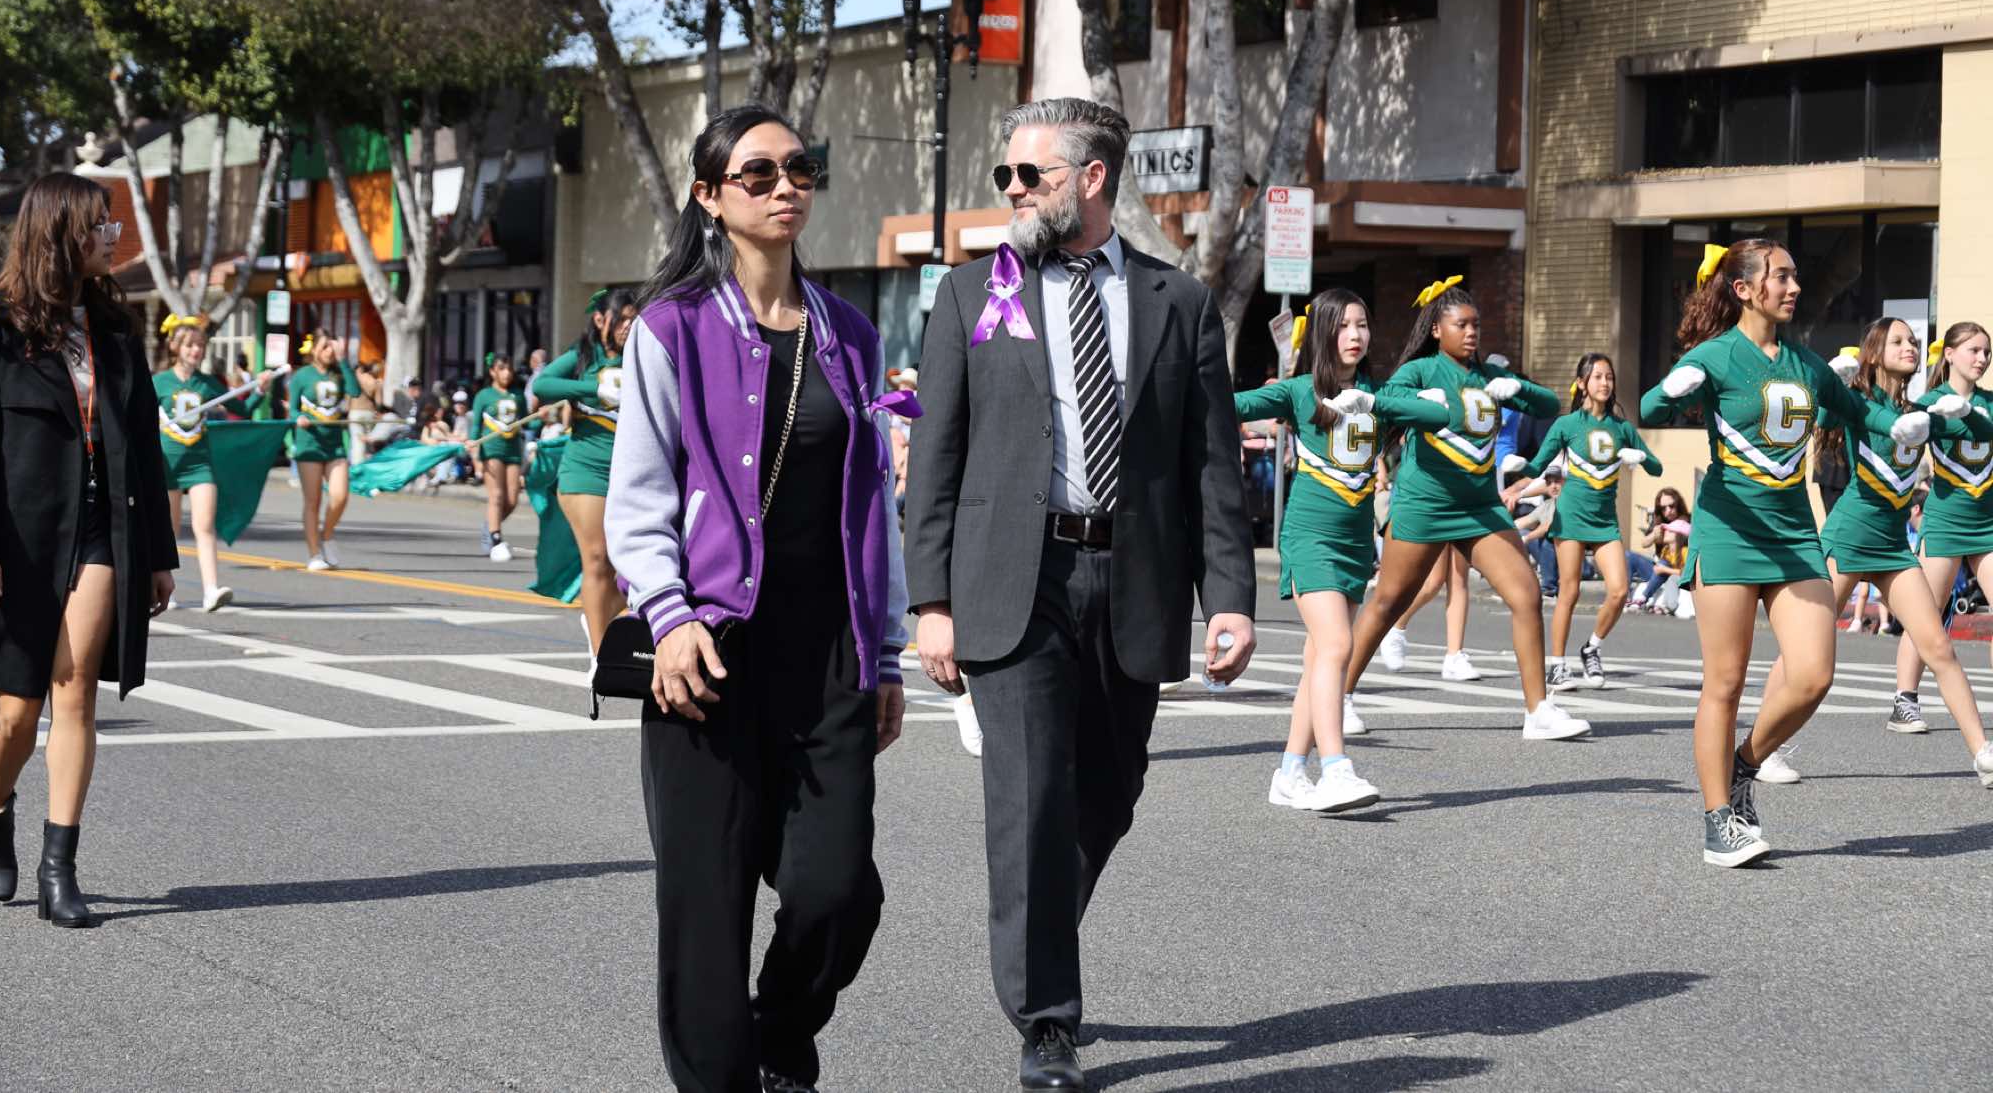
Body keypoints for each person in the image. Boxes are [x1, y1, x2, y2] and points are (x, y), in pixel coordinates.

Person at [906, 97, 1255, 1091]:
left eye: (1032, 175)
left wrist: (1230, 596)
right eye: (1006, 176)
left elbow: (1209, 465)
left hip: (1133, 576)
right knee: (1030, 795)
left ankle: (1035, 935)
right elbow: (936, 452)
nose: (1013, 191)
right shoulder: (976, 292)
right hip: (1015, 580)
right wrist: (929, 600)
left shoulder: (1178, 301)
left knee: (1107, 793)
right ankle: (1047, 1019)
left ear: (1092, 179)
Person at [606, 105, 908, 1093]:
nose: (786, 187)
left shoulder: (850, 335)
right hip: (710, 652)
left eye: (800, 169)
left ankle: (779, 1037)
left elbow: (873, 502)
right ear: (709, 196)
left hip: (827, 655)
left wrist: (887, 652)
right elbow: (640, 495)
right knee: (708, 912)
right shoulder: (672, 328)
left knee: (838, 894)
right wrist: (669, 617)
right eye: (759, 173)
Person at [1642, 239, 1932, 867]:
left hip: (1795, 533)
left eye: (1795, 276)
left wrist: (1896, 426)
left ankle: (1743, 765)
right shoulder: (1716, 355)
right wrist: (1673, 387)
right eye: (1780, 277)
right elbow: (1650, 407)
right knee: (1725, 682)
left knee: (1813, 674)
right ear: (1744, 289)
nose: (1793, 287)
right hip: (1728, 529)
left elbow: (1853, 408)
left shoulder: (1804, 362)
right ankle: (1718, 820)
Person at [0, 172, 177, 927]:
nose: (113, 235)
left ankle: (58, 871)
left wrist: (159, 552)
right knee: (17, 712)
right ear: (60, 232)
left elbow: (143, 443)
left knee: (74, 691)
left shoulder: (117, 327)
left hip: (103, 530)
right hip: (18, 541)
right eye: (100, 224)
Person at [1234, 287, 1452, 814]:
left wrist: (1372, 402)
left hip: (1356, 542)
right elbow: (1229, 404)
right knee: (1336, 646)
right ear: (1323, 333)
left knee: (1320, 659)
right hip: (1310, 537)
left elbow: (1438, 417)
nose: (1355, 335)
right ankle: (1336, 768)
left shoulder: (1378, 394)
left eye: (1362, 325)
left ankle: (1290, 772)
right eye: (1343, 326)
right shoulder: (1298, 391)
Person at [1341, 279, 1589, 743]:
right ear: (1438, 329)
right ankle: (1339, 696)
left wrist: (1517, 386)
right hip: (1426, 505)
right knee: (1389, 601)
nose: (1472, 332)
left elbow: (1549, 404)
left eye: (1476, 324)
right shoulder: (1421, 371)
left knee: (1526, 594)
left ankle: (1538, 710)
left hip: (1479, 507)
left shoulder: (1487, 376)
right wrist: (1415, 403)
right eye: (1461, 325)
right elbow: (1385, 403)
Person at [1759, 317, 1993, 786]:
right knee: (1803, 649)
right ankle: (1766, 749)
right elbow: (1824, 420)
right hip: (1849, 536)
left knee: (1938, 646)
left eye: (1914, 342)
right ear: (1875, 350)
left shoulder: (1922, 409)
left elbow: (1979, 434)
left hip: (1893, 546)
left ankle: (1983, 755)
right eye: (1899, 341)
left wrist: (1965, 412)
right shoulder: (1859, 401)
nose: (1911, 347)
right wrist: (1832, 383)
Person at [1507, 352, 1664, 691]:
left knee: (1619, 590)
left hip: (1605, 521)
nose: (1605, 383)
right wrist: (1520, 469)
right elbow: (1539, 465)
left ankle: (1592, 647)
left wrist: (1640, 457)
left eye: (1609, 377)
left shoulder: (1622, 428)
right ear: (1582, 384)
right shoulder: (1567, 425)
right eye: (1597, 377)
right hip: (1571, 516)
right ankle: (1557, 665)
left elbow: (1657, 468)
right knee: (1570, 591)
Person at [532, 287, 636, 651]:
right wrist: (593, 388)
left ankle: (599, 620)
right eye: (621, 319)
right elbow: (542, 384)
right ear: (600, 319)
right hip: (586, 470)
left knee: (633, 567)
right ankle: (599, 653)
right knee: (597, 558)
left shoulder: (643, 354)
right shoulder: (583, 355)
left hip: (633, 474)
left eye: (633, 319)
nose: (628, 326)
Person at [154, 316, 276, 610]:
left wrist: (260, 389)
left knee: (205, 525)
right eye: (189, 345)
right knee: (169, 531)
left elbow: (243, 409)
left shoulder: (208, 383)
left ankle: (211, 589)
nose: (196, 350)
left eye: (200, 345)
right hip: (167, 463)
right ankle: (166, 589)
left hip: (199, 464)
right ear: (175, 347)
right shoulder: (158, 382)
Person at [1908, 323, 1993, 720]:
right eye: (1974, 350)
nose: (1982, 359)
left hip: (1987, 523)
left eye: (1987, 352)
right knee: (1926, 613)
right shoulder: (1929, 402)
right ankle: (1905, 698)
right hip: (1945, 522)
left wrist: (1970, 414)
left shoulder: (1990, 402)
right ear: (1950, 354)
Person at [287, 329, 361, 570]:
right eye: (325, 347)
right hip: (309, 444)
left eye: (332, 346)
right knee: (313, 501)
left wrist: (343, 360)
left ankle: (327, 534)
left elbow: (355, 391)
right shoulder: (301, 376)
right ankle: (314, 553)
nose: (329, 351)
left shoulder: (339, 373)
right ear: (314, 350)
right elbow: (292, 409)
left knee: (340, 496)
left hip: (335, 445)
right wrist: (298, 418)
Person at [471, 352, 525, 562]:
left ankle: (491, 526)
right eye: (502, 369)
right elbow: (476, 426)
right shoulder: (484, 396)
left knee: (512, 499)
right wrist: (473, 447)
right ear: (492, 371)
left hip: (513, 450)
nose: (507, 373)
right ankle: (496, 539)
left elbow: (529, 421)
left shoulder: (517, 395)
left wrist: (544, 415)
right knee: (497, 496)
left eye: (509, 369)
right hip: (491, 449)